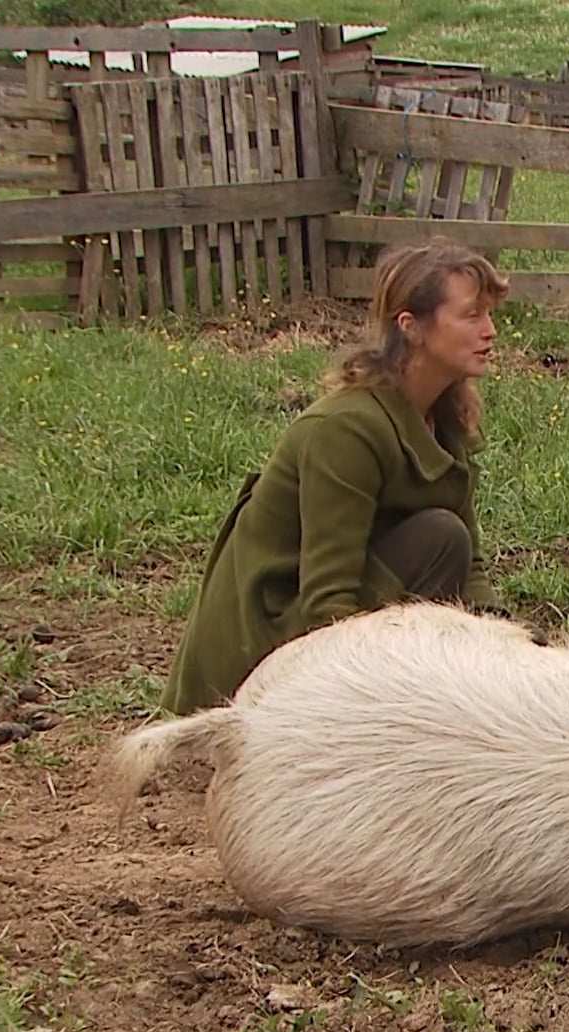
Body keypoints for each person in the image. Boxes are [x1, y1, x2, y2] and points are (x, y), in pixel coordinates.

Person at [160, 240, 515, 715]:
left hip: (348, 614)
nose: (490, 331)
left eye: (489, 315)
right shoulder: (347, 429)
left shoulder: (443, 417)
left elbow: (470, 562)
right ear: (411, 327)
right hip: (270, 637)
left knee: (446, 539)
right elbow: (328, 600)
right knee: (439, 538)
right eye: (471, 315)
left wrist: (510, 645)